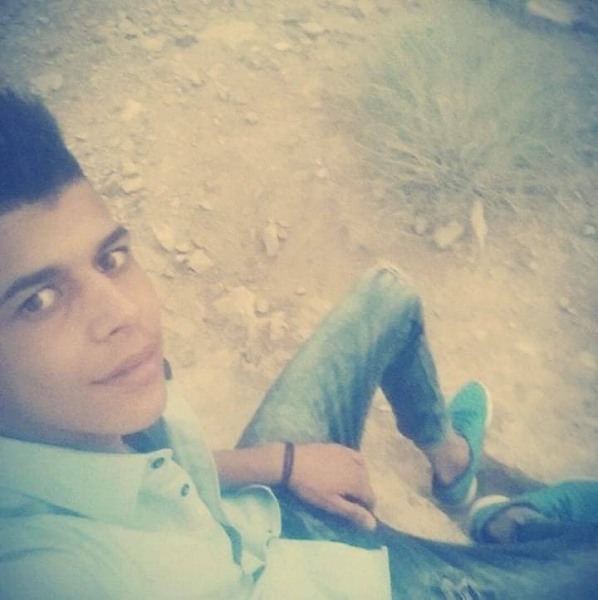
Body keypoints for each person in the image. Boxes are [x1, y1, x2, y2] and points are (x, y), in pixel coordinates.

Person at [0, 88, 596, 600]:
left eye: (110, 258)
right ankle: (517, 527)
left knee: (387, 297)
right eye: (37, 301)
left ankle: (453, 466)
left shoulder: (93, 395)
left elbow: (164, 468)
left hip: (265, 516)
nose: (123, 313)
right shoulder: (48, 567)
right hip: (362, 585)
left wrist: (284, 462)